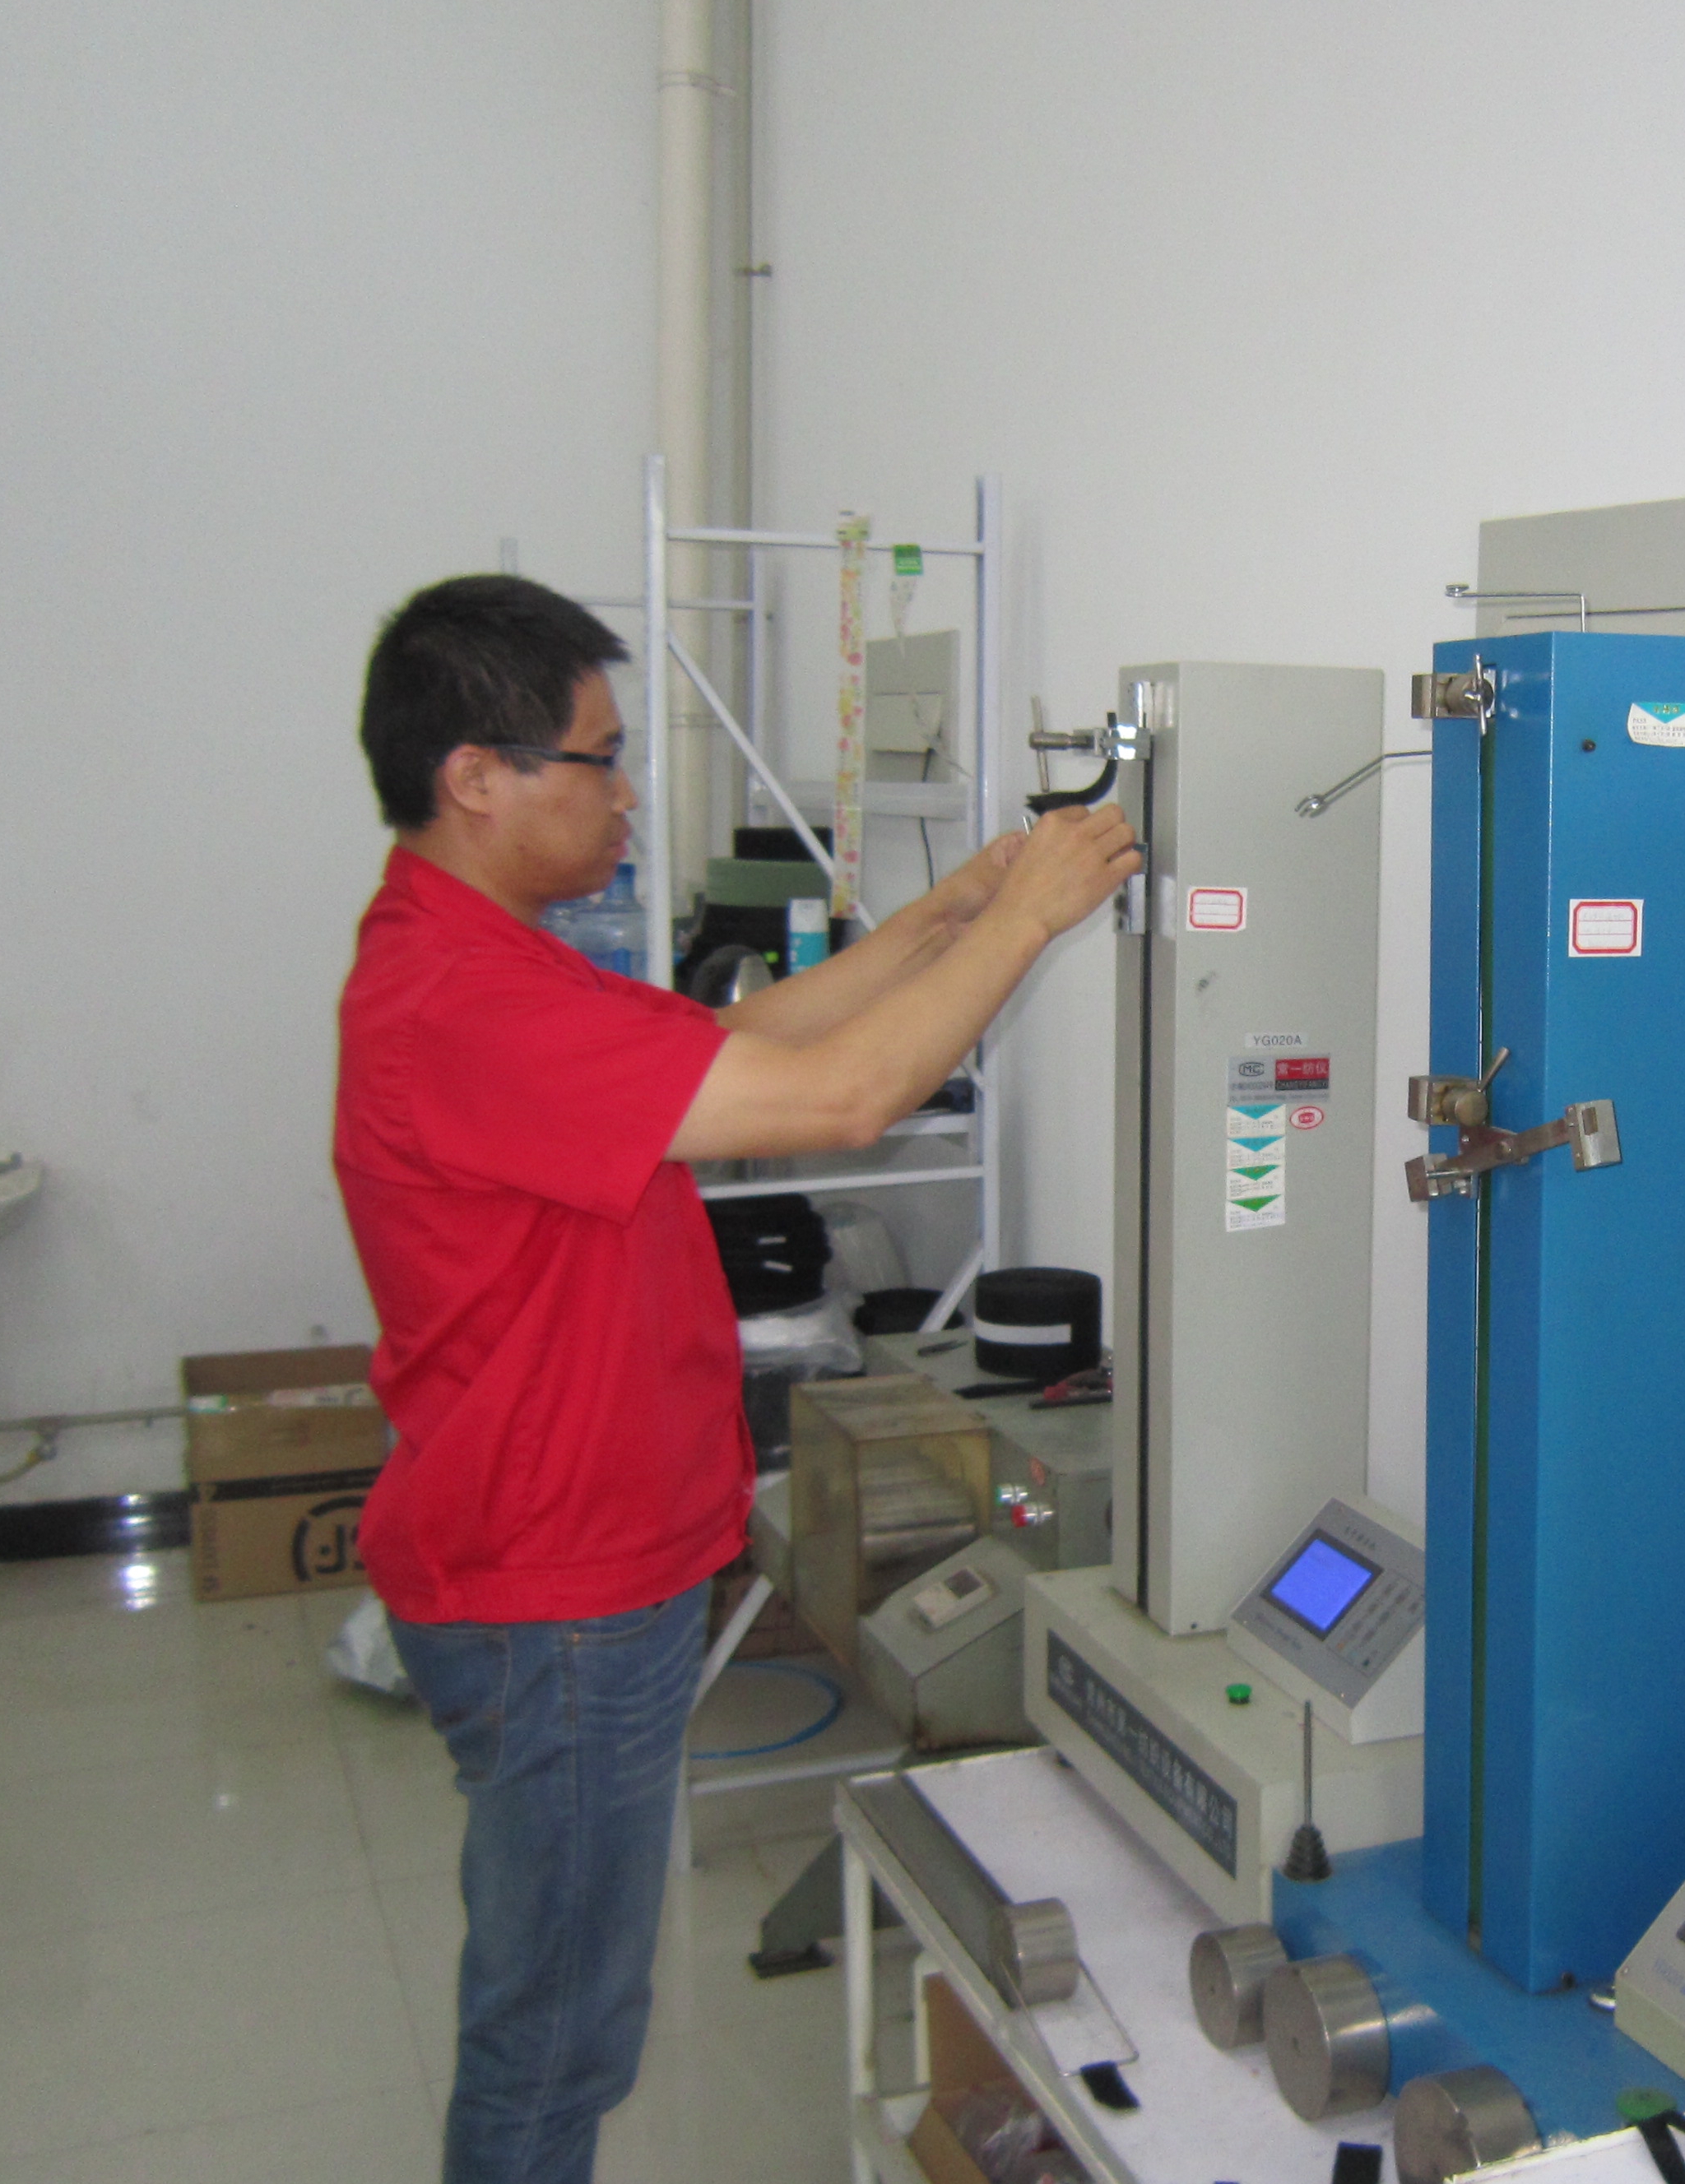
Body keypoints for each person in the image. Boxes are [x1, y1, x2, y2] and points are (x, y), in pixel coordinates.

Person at [333, 573, 1140, 2184]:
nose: (628, 792)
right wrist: (1036, 919)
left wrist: (955, 911)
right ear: (475, 776)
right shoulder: (466, 1002)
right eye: (599, 757)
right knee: (554, 2042)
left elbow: (755, 1040)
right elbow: (839, 1101)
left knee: (557, 2012)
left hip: (559, 1563)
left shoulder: (487, 956)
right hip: (557, 1594)